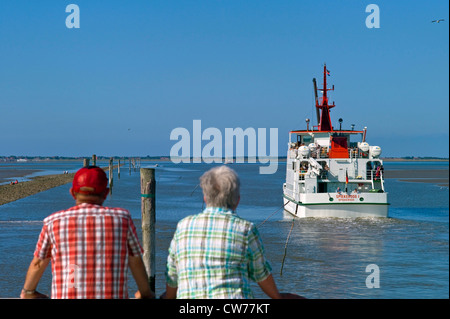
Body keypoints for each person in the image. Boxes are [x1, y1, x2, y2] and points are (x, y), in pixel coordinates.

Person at [163, 165, 303, 299]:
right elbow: (261, 274)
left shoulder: (183, 227)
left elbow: (172, 275)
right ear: (237, 200)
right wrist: (277, 297)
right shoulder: (245, 229)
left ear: (205, 198)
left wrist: (168, 297)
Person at [20, 166, 154, 299]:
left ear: (72, 193)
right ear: (106, 193)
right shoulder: (122, 219)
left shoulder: (53, 222)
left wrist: (28, 292)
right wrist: (145, 293)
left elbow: (38, 263)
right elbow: (135, 261)